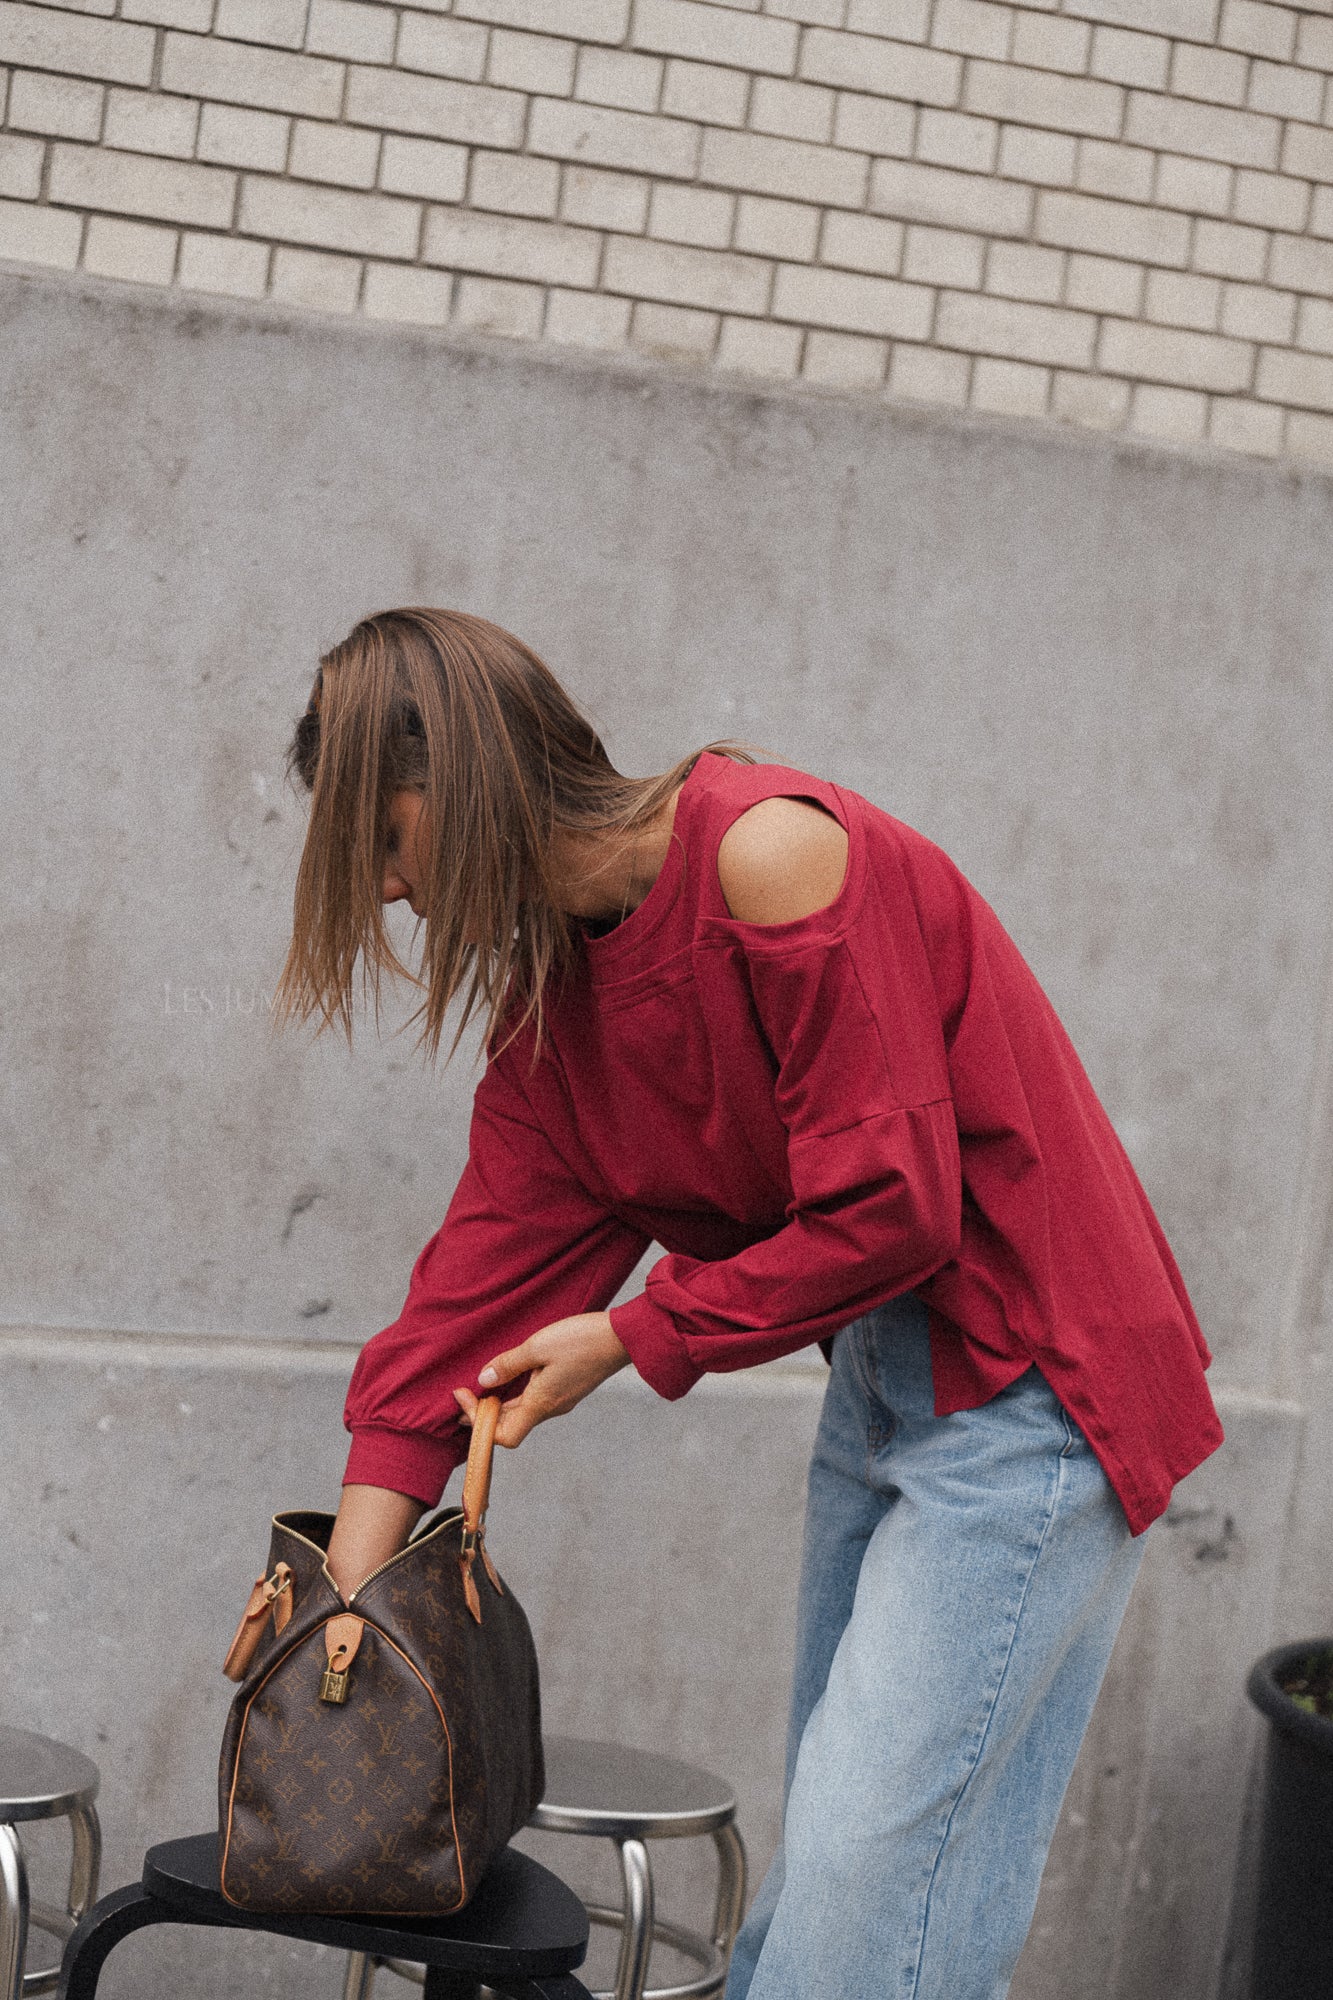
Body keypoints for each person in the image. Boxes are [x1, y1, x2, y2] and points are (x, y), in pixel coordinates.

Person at [275, 606, 1223, 2000]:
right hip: (886, 1386)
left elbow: (896, 1203)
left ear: (448, 791)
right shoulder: (558, 1019)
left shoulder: (769, 852)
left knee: (857, 1895)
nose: (388, 898)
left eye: (383, 849)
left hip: (1033, 1384)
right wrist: (342, 1616)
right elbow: (462, 1310)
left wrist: (633, 1335)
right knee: (892, 1898)